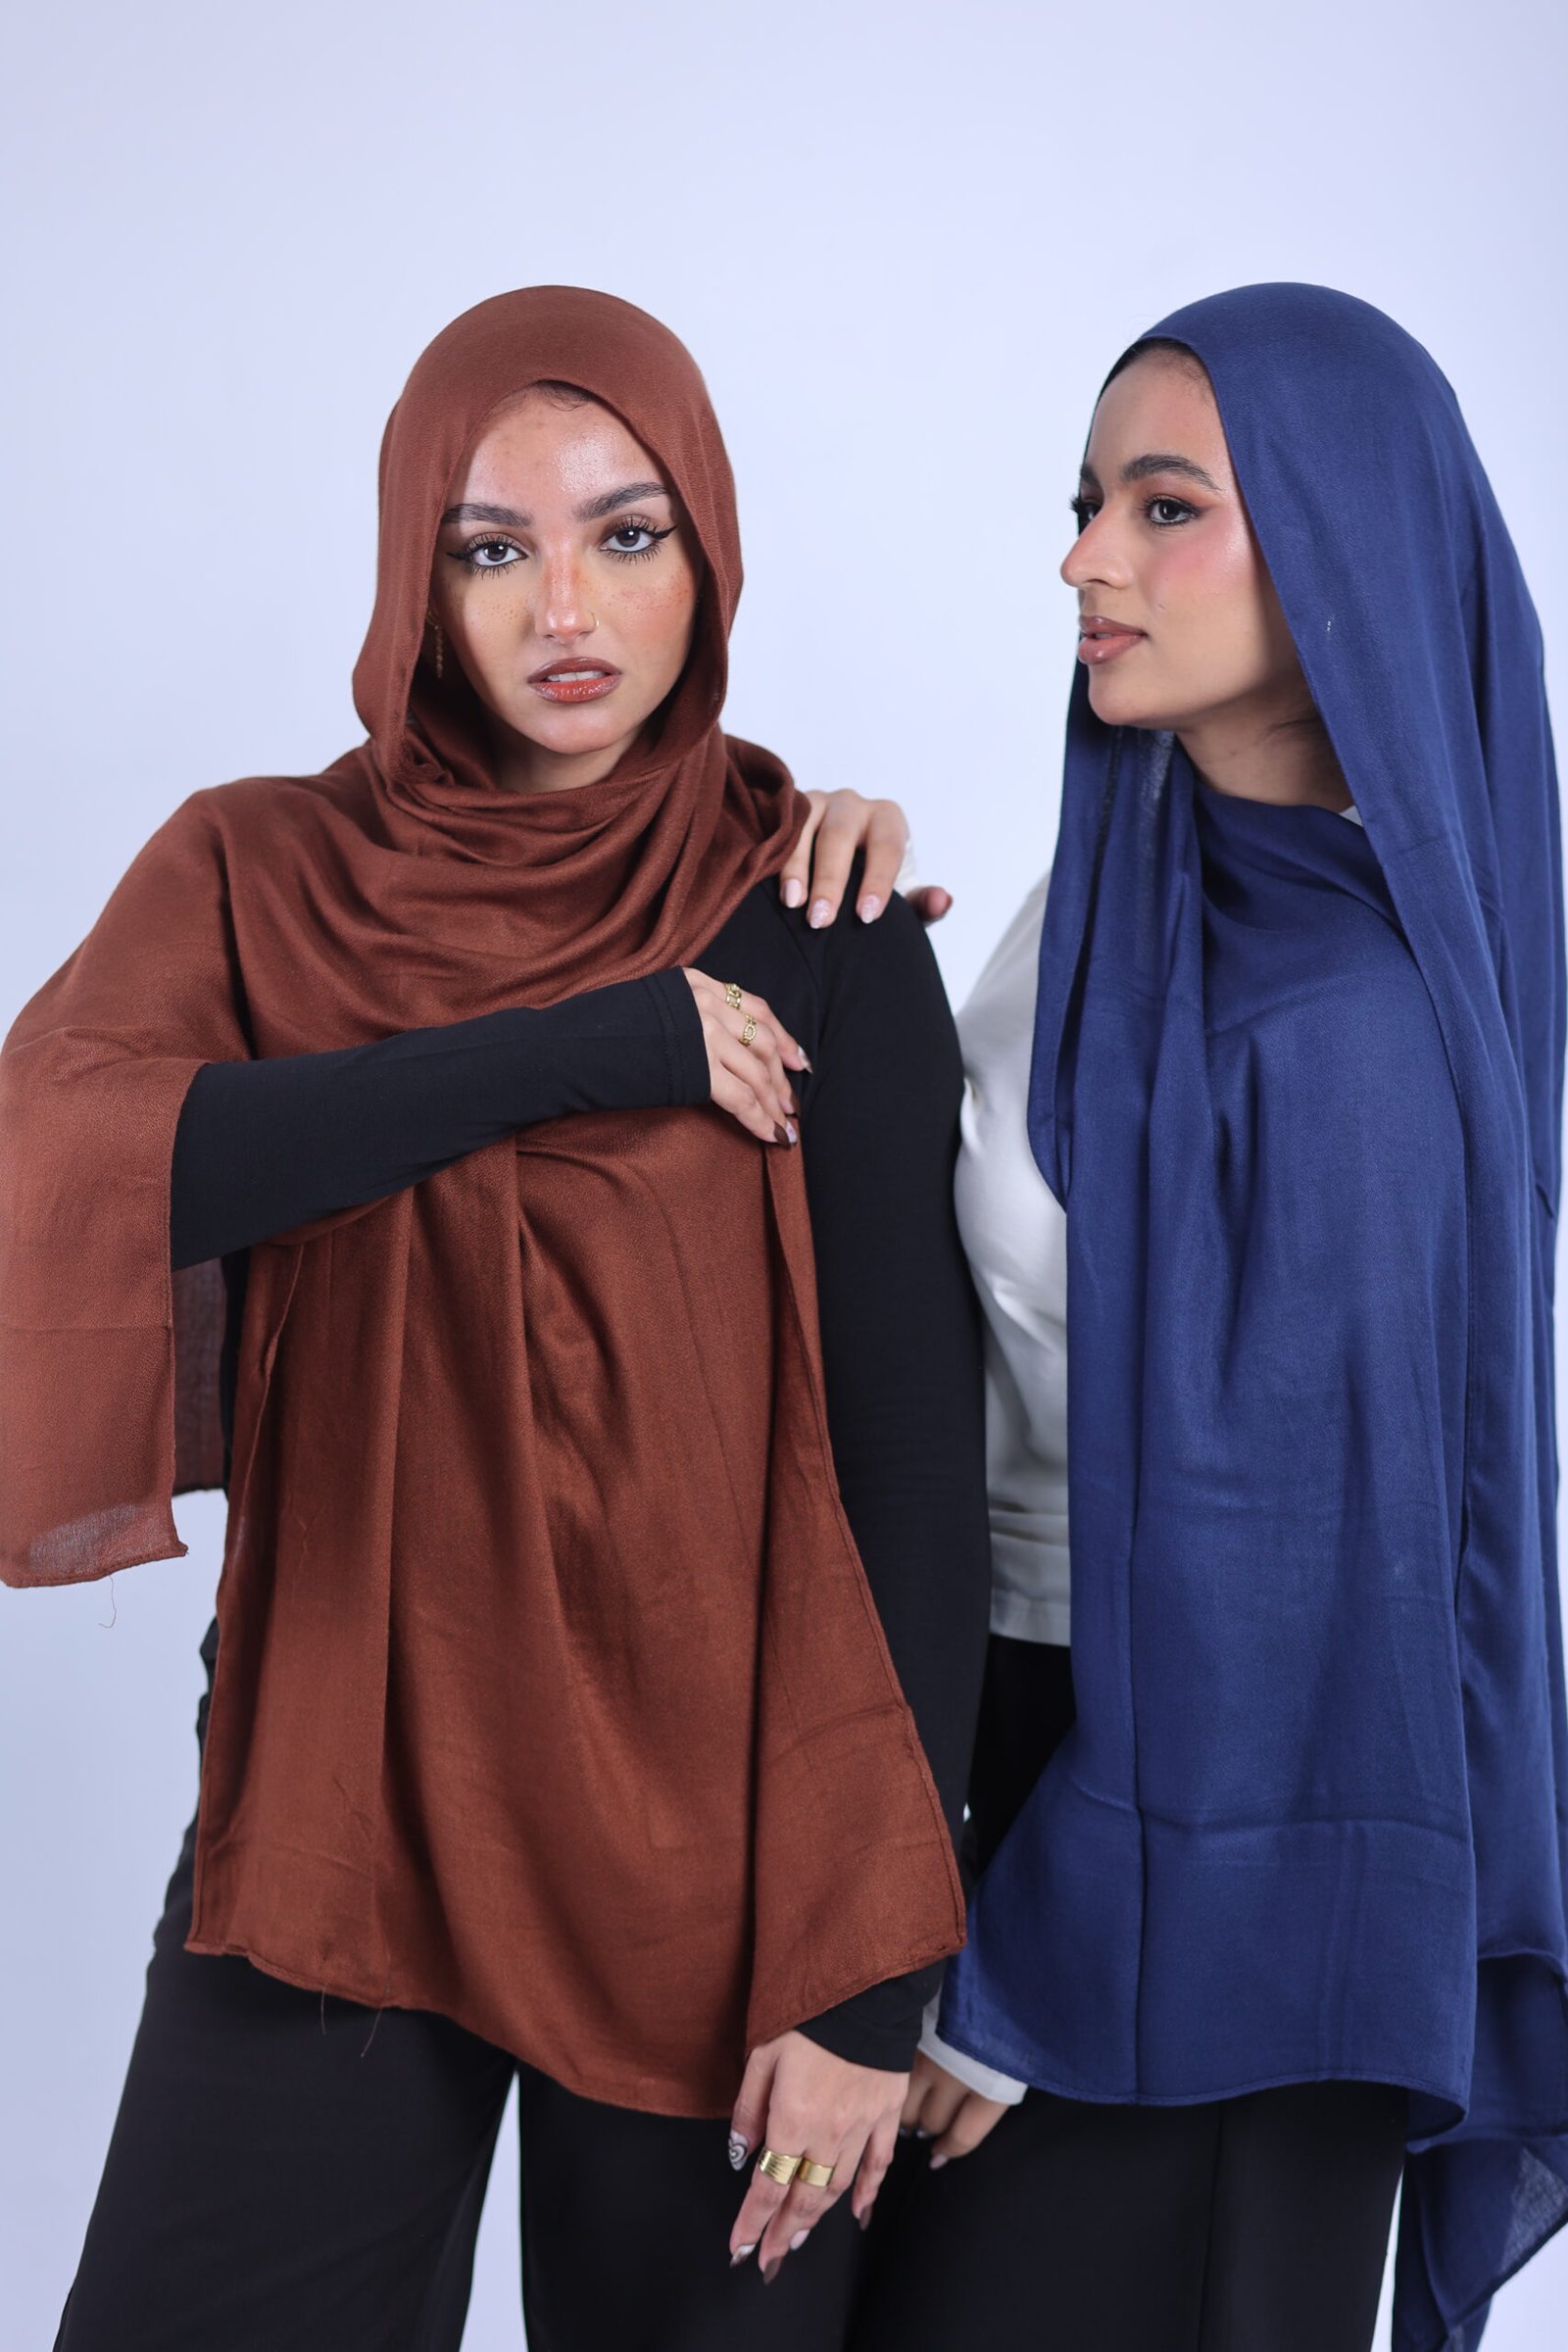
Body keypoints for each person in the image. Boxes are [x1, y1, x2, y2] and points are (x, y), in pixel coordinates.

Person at [0, 286, 993, 2351]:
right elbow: (88, 1162)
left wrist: (865, 1984)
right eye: (490, 547)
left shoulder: (812, 918)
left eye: (626, 534)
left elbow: (908, 1466)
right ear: (413, 576)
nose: (566, 607)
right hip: (340, 1807)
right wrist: (567, 1049)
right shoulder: (261, 873)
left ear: (706, 549)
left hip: (723, 1865)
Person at [828, 286, 1568, 2352]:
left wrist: (1024, 1983)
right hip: (1003, 1745)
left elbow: (1315, 1578)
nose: (1085, 559)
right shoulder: (1104, 894)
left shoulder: (1358, 1030)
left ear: (1338, 545)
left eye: (1166, 508)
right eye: (1084, 503)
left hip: (1226, 1852)